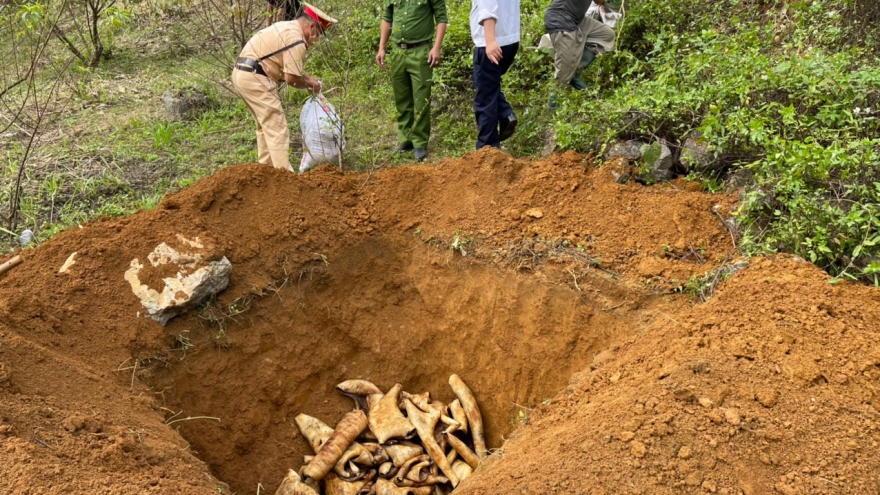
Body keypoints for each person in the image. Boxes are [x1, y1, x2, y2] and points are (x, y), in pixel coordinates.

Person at [232, 3, 336, 172]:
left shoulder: (288, 28)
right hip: (255, 77)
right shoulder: (297, 41)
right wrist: (311, 85)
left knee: (265, 126)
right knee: (277, 127)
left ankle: (265, 173)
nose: (317, 38)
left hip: (242, 74)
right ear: (311, 26)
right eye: (319, 33)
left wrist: (312, 81)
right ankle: (284, 177)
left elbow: (293, 68)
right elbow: (291, 78)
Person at [376, 0, 448, 162]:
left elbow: (441, 18)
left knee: (421, 98)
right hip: (398, 51)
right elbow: (387, 17)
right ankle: (405, 138)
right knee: (401, 97)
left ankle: (420, 142)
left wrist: (436, 47)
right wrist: (382, 47)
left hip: (421, 51)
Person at [470, 0, 520, 150]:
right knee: (487, 85)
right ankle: (505, 114)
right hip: (510, 38)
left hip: (492, 42)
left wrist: (490, 40)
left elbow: (487, 7)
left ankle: (488, 149)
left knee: (485, 98)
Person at [544, 0, 616, 91]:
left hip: (577, 19)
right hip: (561, 19)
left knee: (606, 35)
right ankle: (553, 103)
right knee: (563, 75)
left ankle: (574, 72)